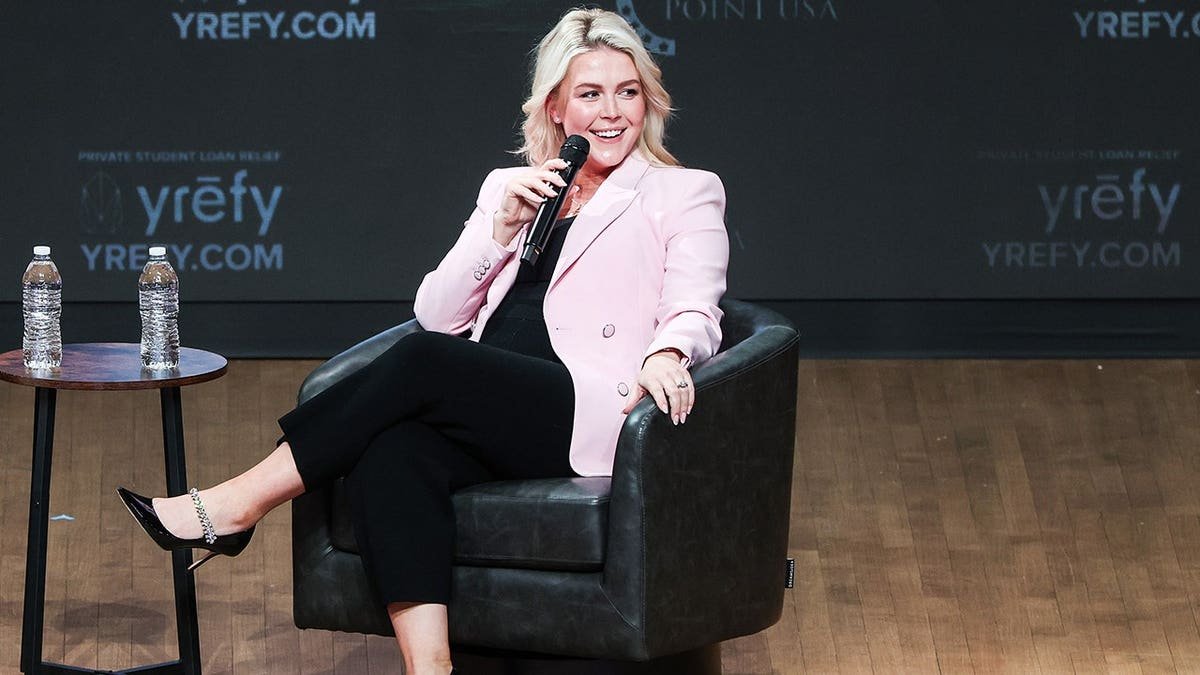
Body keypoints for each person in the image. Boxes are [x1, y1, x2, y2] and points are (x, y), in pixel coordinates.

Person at [118, 8, 728, 675]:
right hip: (492, 405)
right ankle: (430, 666)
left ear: (648, 100)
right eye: (590, 94)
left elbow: (695, 306)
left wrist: (669, 351)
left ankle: (238, 503)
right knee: (392, 449)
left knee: (420, 363)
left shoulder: (680, 191)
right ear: (556, 107)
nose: (612, 112)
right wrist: (498, 229)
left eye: (627, 92)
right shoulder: (512, 187)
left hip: (582, 408)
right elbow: (436, 314)